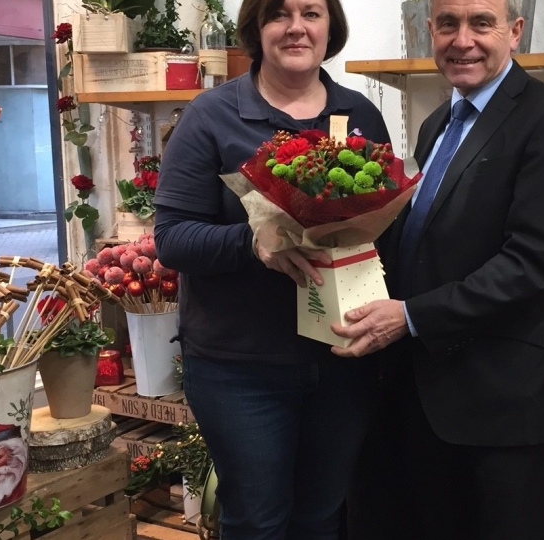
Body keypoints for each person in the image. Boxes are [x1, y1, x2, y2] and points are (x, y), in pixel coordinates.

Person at [332, 0, 544, 537]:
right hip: (426, 396)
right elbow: (423, 245)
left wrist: (409, 317)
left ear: (515, 32)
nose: (462, 39)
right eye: (447, 24)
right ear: (430, 31)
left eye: (481, 23)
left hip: (501, 406)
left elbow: (529, 266)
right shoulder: (435, 125)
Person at [152, 0, 390, 537]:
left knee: (323, 514)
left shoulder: (360, 115)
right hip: (240, 369)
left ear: (332, 26)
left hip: (339, 360)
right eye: (280, 14)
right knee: (256, 521)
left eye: (312, 12)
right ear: (256, 29)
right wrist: (252, 243)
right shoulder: (211, 117)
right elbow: (172, 240)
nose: (297, 27)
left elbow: (377, 227)